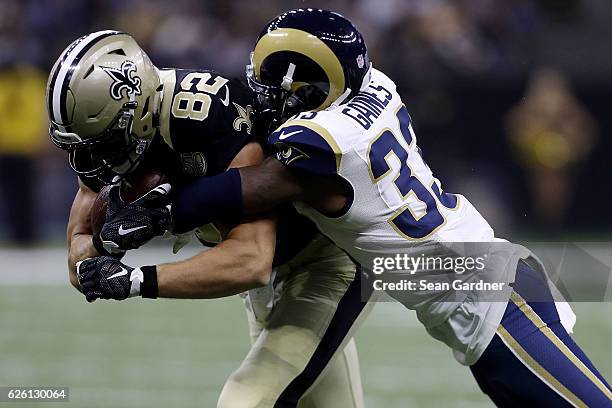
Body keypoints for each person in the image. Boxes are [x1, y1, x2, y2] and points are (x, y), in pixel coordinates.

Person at [93, 10, 612, 407]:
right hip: (476, 286)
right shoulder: (374, 86)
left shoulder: (324, 143)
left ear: (306, 92)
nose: (262, 97)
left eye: (272, 88)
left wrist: (162, 214)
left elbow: (253, 186)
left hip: (490, 300)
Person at [47, 30, 367, 408]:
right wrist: (106, 243)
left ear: (141, 108)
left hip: (325, 264)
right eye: (87, 148)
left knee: (244, 400)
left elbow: (251, 259)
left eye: (107, 143)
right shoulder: (109, 134)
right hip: (272, 284)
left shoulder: (211, 118)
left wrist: (135, 279)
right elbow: (78, 258)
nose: (99, 161)